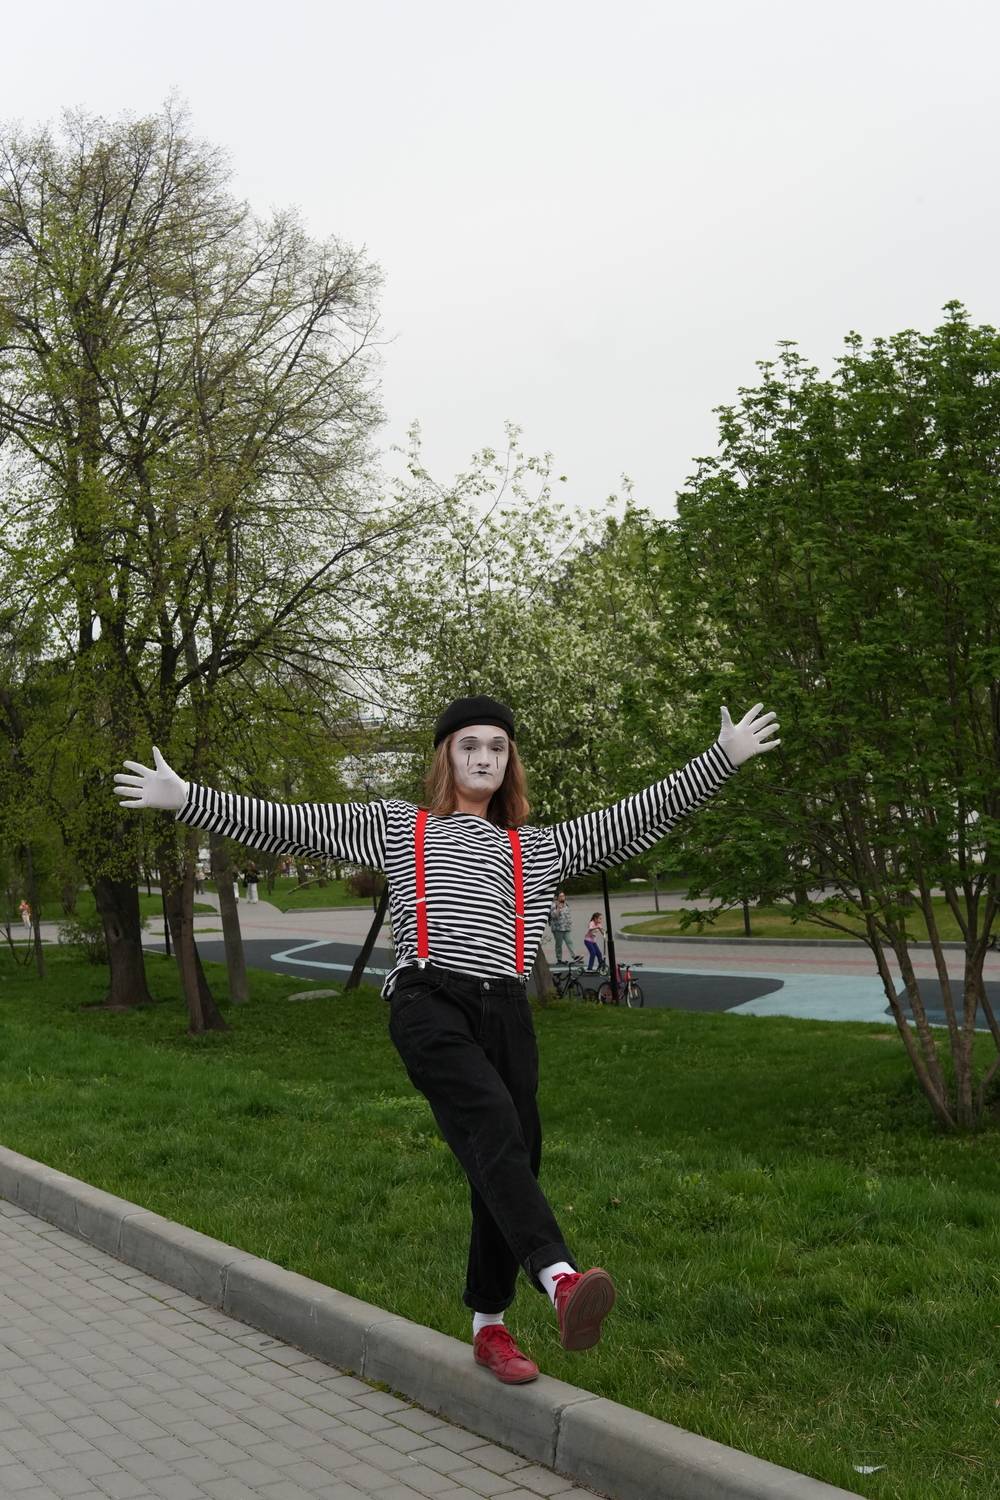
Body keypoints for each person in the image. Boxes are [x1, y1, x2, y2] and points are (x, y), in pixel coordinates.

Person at [113, 695, 780, 1384]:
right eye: (470, 745)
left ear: (510, 761)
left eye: (497, 747)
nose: (484, 757)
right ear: (446, 757)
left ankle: (490, 1327)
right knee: (491, 1123)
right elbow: (295, 825)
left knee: (511, 1156)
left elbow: (634, 820)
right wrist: (187, 798)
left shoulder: (541, 847)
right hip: (429, 999)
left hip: (506, 1010)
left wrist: (721, 759)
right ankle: (560, 1278)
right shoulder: (399, 827)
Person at [548, 890, 574, 964]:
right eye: (561, 896)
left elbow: (568, 915)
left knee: (570, 942)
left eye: (563, 896)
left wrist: (570, 923)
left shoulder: (566, 904)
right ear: (557, 897)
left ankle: (574, 956)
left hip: (566, 927)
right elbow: (554, 916)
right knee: (559, 944)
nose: (563, 897)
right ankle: (559, 959)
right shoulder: (553, 905)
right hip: (558, 929)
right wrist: (558, 909)